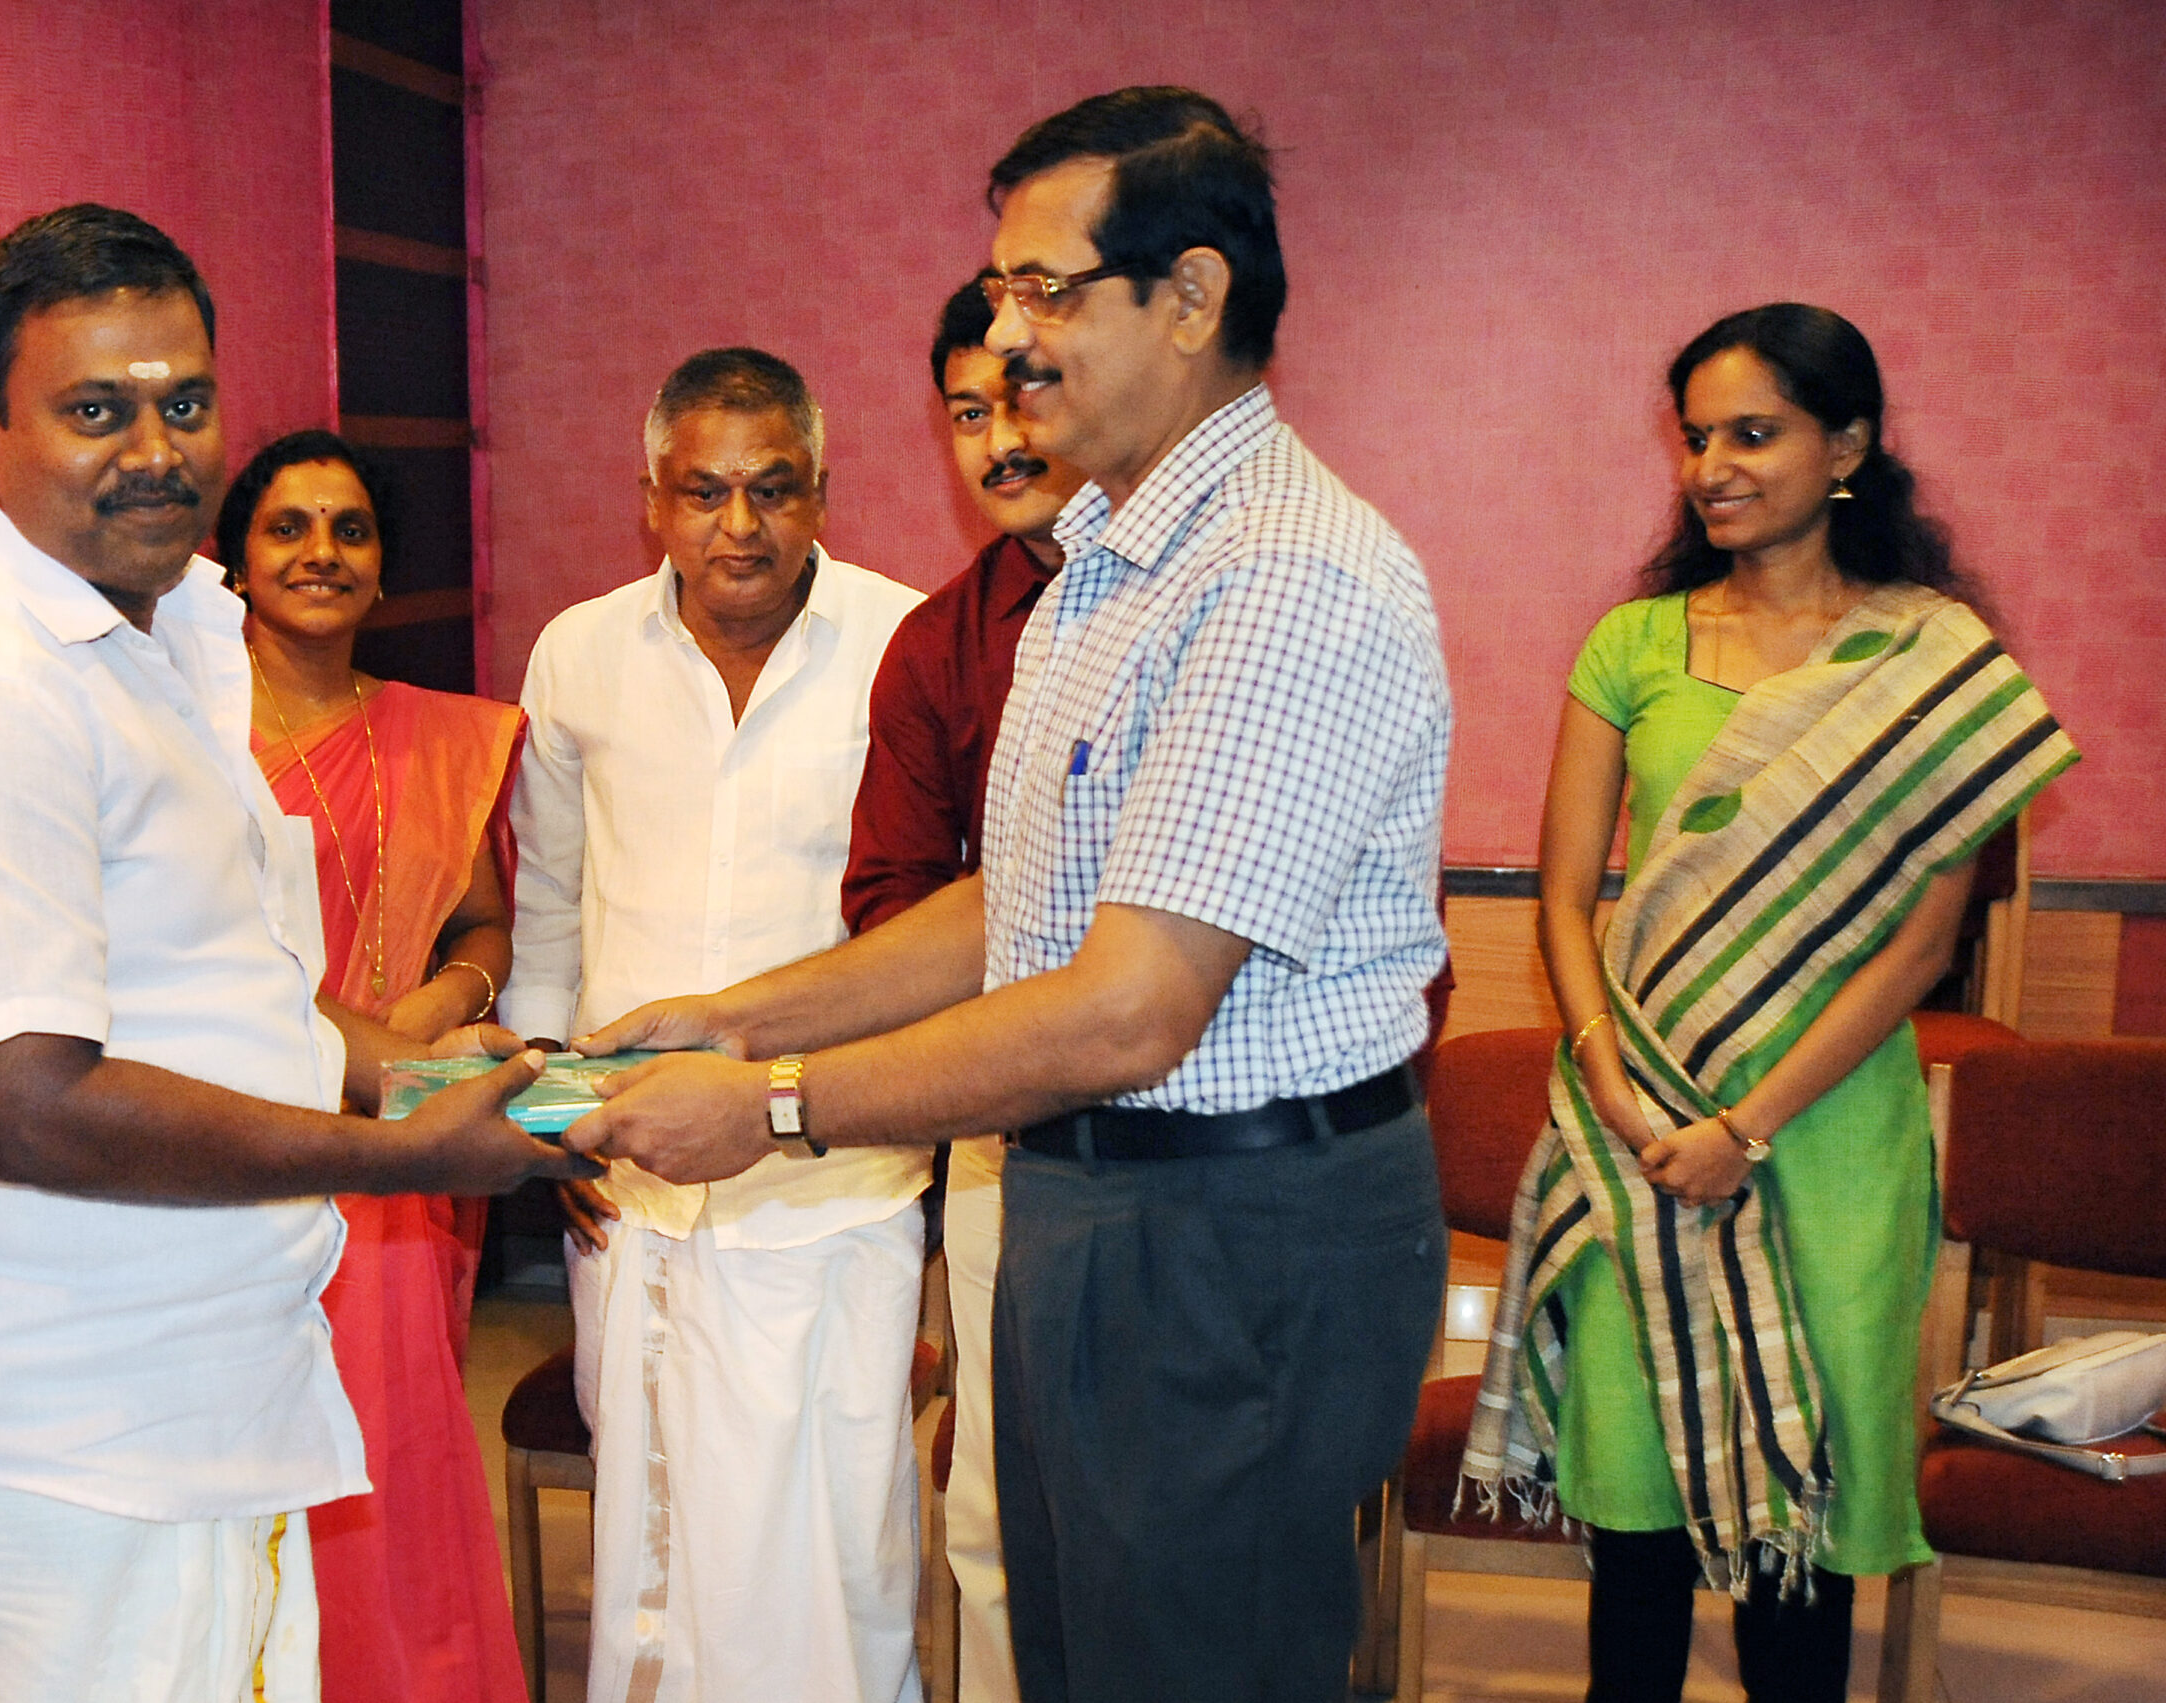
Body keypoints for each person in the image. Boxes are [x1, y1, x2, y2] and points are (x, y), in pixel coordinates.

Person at [570, 89, 1453, 1703]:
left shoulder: (1283, 572)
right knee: (1074, 1652)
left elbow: (1131, 1005)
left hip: (1233, 1229)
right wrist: (734, 1016)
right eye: (1000, 291)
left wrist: (771, 1104)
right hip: (1086, 1199)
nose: (1005, 335)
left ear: (1189, 297)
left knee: (1193, 1668)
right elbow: (1012, 905)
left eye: (1044, 290)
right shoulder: (1101, 566)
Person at [0, 203, 587, 1703]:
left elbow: (226, 990)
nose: (154, 449)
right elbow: (28, 1102)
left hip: (194, 1403)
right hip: (49, 1454)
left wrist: (408, 1068)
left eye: (185, 402)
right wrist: (403, 1156)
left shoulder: (160, 640)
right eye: (95, 410)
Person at [1458, 303, 2078, 1703]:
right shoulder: (1633, 644)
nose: (1712, 467)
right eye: (1696, 437)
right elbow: (1564, 899)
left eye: (1753, 432)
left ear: (1846, 445)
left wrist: (1749, 1124)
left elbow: (1922, 947)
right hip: (1637, 1123)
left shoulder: (1930, 665)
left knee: (1798, 1537)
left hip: (1828, 1135)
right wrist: (1612, 1079)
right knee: (1634, 1524)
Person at [503, 346, 929, 1703]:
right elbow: (549, 909)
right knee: (653, 1540)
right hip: (631, 1188)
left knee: (831, 1551)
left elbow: (939, 923)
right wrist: (544, 1119)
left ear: (823, 494)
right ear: (653, 499)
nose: (738, 525)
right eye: (703, 492)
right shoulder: (578, 653)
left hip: (834, 1178)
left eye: (773, 488)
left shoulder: (903, 645)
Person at [217, 429, 531, 1703]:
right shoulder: (187, 732)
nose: (321, 552)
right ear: (235, 561)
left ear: (383, 566)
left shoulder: (433, 738)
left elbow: (486, 924)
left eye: (349, 529)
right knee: (250, 1462)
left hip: (400, 1150)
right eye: (287, 526)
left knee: (389, 1450)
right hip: (235, 1137)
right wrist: (383, 1053)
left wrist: (446, 999)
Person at [841, 275, 1082, 1703]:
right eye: (964, 413)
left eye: (1020, 398)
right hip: (1009, 1136)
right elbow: (891, 896)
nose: (997, 439)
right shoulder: (941, 644)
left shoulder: (1227, 595)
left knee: (1173, 1525)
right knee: (997, 1509)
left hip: (1214, 1149)